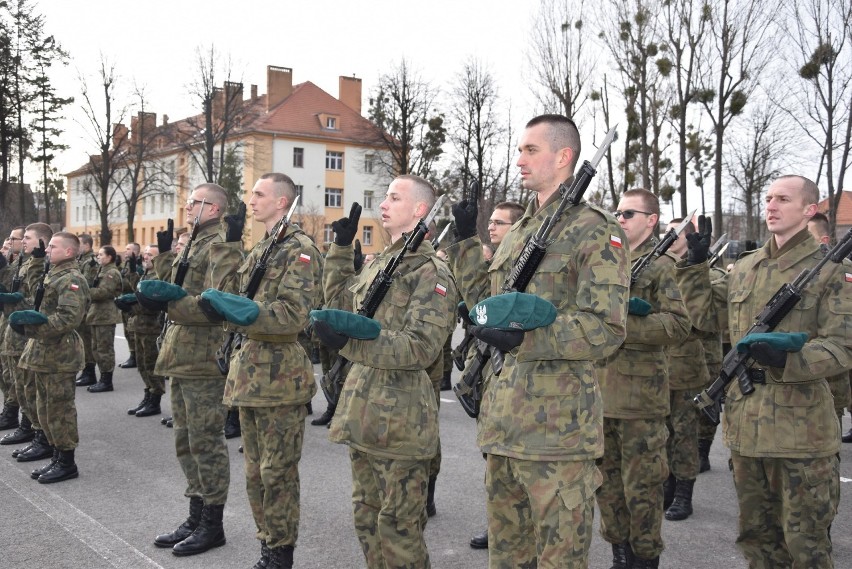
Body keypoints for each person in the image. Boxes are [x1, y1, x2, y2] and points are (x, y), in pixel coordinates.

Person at [446, 114, 631, 568]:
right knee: (508, 558)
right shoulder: (520, 233)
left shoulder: (594, 229)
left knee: (559, 559)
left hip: (557, 434)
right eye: (520, 150)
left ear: (563, 156)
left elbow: (605, 328)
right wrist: (467, 244)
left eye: (531, 150)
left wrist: (525, 339)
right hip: (504, 424)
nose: (520, 160)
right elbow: (486, 306)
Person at [676, 175, 850, 569]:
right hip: (746, 431)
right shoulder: (747, 266)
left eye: (783, 199)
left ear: (810, 209)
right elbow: (706, 317)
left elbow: (843, 347)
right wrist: (693, 265)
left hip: (801, 437)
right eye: (768, 198)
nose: (770, 206)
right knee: (757, 544)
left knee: (806, 549)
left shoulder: (832, 270)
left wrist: (788, 359)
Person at [317, 174, 457, 568]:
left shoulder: (430, 272)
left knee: (399, 531)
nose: (384, 203)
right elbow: (340, 303)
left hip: (402, 421)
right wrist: (341, 251)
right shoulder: (383, 263)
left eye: (394, 197)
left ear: (419, 210)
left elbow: (421, 347)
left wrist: (351, 342)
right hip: (364, 411)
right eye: (386, 196)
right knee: (366, 520)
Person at [202, 172, 323, 569]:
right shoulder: (261, 249)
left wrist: (246, 314)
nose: (250, 201)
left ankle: (281, 553)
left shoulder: (299, 250)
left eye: (259, 194)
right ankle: (267, 546)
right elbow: (226, 291)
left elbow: (293, 316)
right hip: (249, 375)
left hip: (279, 378)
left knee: (278, 474)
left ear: (282, 202)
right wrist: (229, 245)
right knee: (255, 473)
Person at [138, 182, 244, 557]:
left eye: (195, 203)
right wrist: (166, 255)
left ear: (214, 209)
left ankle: (212, 525)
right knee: (185, 440)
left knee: (205, 441)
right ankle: (195, 515)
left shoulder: (219, 243)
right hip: (181, 354)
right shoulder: (195, 241)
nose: (187, 207)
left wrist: (170, 306)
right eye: (187, 202)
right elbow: (175, 287)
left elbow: (215, 301)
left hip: (203, 356)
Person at [595, 189, 690, 569]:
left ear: (651, 220)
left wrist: (626, 324)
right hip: (600, 394)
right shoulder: (605, 263)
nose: (619, 218)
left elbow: (679, 324)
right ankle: (619, 555)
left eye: (629, 213)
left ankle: (645, 559)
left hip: (640, 401)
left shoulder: (662, 266)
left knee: (643, 490)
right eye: (616, 212)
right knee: (606, 486)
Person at [462, 200, 525, 551]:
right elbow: (477, 298)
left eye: (499, 223)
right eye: (492, 223)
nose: (492, 228)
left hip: (522, 380)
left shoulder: (526, 262)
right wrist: (465, 240)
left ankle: (516, 525)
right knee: (494, 460)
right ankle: (497, 521)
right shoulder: (496, 265)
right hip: (493, 374)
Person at [12, 231, 90, 483]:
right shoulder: (53, 273)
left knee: (60, 409)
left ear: (68, 251)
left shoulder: (71, 279)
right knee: (45, 407)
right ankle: (56, 455)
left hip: (60, 352)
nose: (47, 250)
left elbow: (68, 318)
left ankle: (67, 462)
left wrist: (33, 327)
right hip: (44, 351)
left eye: (53, 247)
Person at [658, 217, 710, 522]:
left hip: (686, 368)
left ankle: (683, 494)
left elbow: (700, 319)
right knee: (662, 434)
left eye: (676, 233)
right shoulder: (658, 266)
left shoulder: (696, 271)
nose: (669, 236)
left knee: (684, 434)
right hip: (657, 367)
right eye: (667, 231)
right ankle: (668, 485)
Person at [1, 223, 53, 461]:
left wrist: (12, 301)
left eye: (22, 238)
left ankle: (38, 435)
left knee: (30, 390)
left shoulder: (42, 266)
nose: (17, 243)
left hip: (27, 334)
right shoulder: (22, 264)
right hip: (13, 332)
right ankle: (28, 427)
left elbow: (36, 301)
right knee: (18, 385)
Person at [807, 212, 852, 442]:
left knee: (826, 447)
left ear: (823, 240)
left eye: (806, 237)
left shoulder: (842, 270)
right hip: (792, 374)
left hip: (829, 373)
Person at [119, 244, 167, 417]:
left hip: (151, 327)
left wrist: (131, 306)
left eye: (150, 255)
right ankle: (148, 394)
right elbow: (136, 290)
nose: (146, 257)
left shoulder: (159, 276)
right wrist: (132, 271)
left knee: (151, 364)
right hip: (139, 326)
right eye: (145, 254)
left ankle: (155, 400)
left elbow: (151, 306)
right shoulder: (146, 274)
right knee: (141, 364)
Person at [83, 246, 123, 393]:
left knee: (104, 349)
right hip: (97, 314)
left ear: (109, 257)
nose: (98, 257)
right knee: (96, 348)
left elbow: (103, 292)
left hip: (105, 315)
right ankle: (102, 378)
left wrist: (85, 291)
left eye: (101, 254)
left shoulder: (111, 273)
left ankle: (107, 380)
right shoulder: (102, 270)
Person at [0, 227, 25, 432]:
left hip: (18, 326)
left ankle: (19, 418)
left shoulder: (25, 265)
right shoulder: (13, 263)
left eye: (13, 238)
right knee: (6, 372)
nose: (9, 242)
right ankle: (9, 412)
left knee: (17, 376)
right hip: (6, 322)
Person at [75, 234, 99, 386]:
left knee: (87, 341)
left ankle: (89, 372)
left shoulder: (91, 262)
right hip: (81, 306)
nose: (77, 248)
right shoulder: (81, 260)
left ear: (87, 245)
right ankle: (86, 370)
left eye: (79, 244)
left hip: (86, 307)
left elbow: (86, 284)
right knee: (83, 340)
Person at [118, 242, 142, 369]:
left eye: (129, 249)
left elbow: (135, 284)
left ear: (137, 252)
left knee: (133, 331)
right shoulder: (125, 265)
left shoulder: (138, 267)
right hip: (124, 301)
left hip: (134, 302)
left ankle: (136, 356)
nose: (126, 251)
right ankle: (132, 354)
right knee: (127, 331)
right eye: (125, 249)